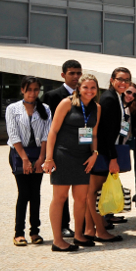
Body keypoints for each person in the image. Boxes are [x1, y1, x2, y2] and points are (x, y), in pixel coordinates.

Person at [42, 74, 100, 252]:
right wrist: (49, 158)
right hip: (64, 155)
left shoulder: (97, 107)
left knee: (81, 198)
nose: (89, 91)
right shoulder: (66, 103)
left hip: (84, 157)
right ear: (78, 88)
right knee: (60, 198)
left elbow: (94, 134)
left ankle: (79, 235)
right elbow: (53, 132)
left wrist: (94, 154)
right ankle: (58, 240)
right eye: (86, 87)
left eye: (93, 88)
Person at [86, 67, 132, 242]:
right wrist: (112, 158)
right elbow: (105, 133)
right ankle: (99, 231)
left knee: (94, 192)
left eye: (126, 80)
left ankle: (91, 229)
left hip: (106, 152)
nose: (123, 83)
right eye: (120, 79)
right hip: (103, 153)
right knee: (94, 193)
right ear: (112, 79)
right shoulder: (109, 99)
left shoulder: (117, 98)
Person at [6, 76, 51, 246]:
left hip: (39, 154)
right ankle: (19, 232)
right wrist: (24, 159)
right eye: (29, 89)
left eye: (36, 90)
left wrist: (42, 158)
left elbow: (47, 134)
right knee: (24, 193)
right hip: (19, 154)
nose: (32, 93)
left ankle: (35, 232)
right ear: (22, 90)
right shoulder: (13, 108)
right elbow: (13, 134)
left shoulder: (45, 108)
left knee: (35, 193)